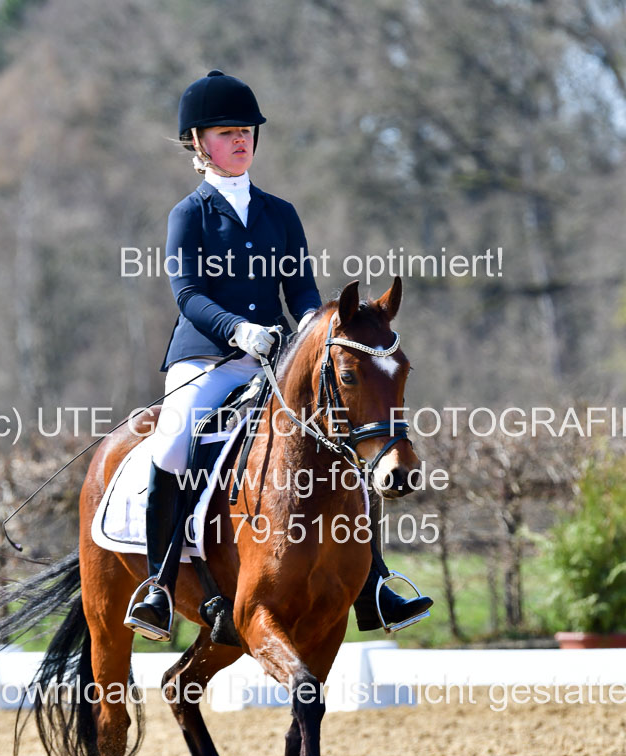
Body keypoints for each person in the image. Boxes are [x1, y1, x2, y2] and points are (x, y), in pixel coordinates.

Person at [126, 69, 432, 641]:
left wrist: (322, 331)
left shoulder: (280, 213)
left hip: (277, 361)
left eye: (245, 131)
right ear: (199, 143)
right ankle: (159, 587)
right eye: (225, 133)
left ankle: (375, 585)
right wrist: (239, 330)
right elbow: (188, 294)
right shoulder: (189, 215)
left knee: (349, 441)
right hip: (207, 360)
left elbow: (304, 295)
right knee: (170, 446)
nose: (240, 140)